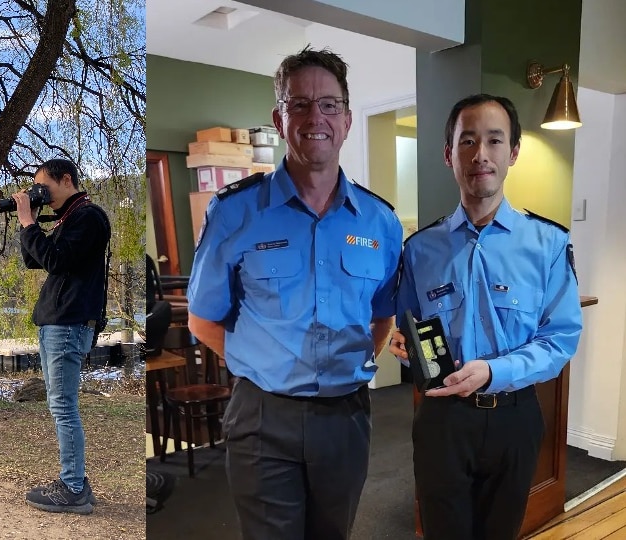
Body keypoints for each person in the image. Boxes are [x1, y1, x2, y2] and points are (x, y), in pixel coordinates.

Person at [187, 46, 403, 540]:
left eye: (329, 104)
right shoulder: (234, 213)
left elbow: (382, 314)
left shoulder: (380, 221)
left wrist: (342, 370)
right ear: (279, 119)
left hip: (345, 416)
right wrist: (264, 365)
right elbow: (202, 320)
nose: (315, 117)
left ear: (347, 120)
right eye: (299, 104)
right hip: (264, 417)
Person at [389, 94, 583, 540]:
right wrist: (404, 351)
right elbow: (411, 334)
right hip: (442, 422)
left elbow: (560, 341)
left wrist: (493, 371)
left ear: (513, 152)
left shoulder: (548, 244)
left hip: (514, 418)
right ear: (449, 155)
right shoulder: (419, 249)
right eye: (468, 141)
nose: (481, 155)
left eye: (494, 141)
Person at [13, 158, 109, 515]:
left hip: (68, 325)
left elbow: (55, 260)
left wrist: (27, 222)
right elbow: (36, 260)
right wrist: (31, 224)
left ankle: (72, 487)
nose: (41, 194)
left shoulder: (88, 217)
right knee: (61, 405)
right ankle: (76, 481)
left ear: (66, 180)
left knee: (63, 407)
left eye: (44, 188)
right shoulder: (73, 218)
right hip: (59, 323)